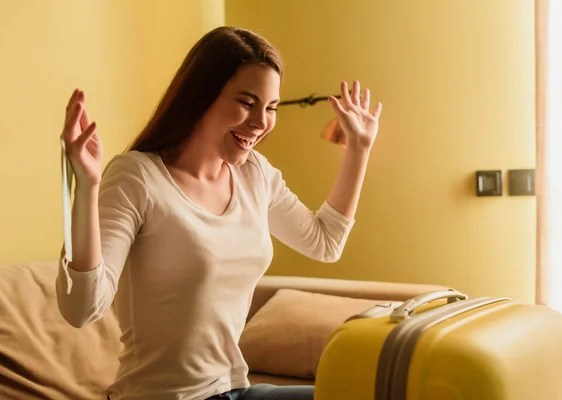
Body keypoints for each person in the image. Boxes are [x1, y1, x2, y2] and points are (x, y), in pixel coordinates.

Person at [56, 26, 382, 400]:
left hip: (234, 391)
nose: (261, 123)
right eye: (247, 102)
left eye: (271, 107)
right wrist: (88, 187)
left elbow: (325, 243)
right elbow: (81, 308)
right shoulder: (137, 177)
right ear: (201, 97)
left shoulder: (254, 174)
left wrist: (359, 149)